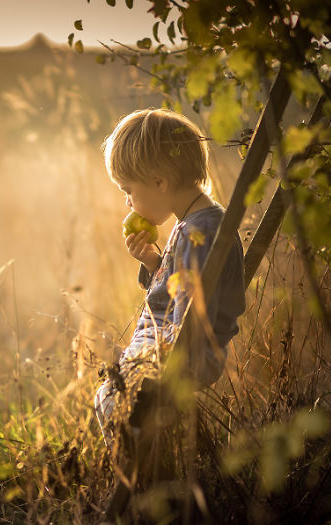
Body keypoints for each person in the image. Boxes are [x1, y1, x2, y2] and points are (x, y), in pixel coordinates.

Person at [94, 108, 246, 442]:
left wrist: (165, 360)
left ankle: (140, 480)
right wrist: (153, 264)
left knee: (111, 400)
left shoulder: (201, 232)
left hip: (181, 349)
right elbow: (178, 289)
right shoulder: (193, 223)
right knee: (109, 396)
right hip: (169, 339)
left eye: (128, 190)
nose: (127, 202)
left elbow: (192, 308)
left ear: (159, 182)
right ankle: (144, 465)